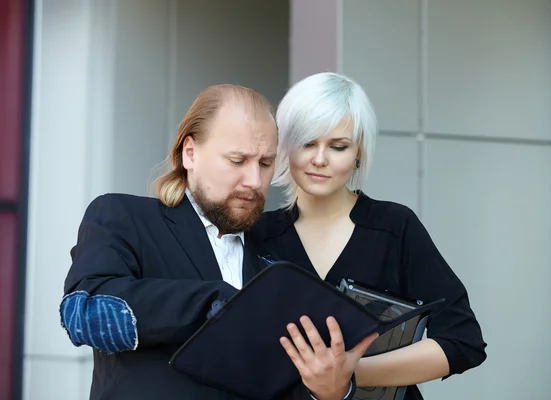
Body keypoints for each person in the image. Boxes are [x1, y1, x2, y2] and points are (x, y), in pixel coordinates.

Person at [59, 84, 376, 400]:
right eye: (237, 161)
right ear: (190, 154)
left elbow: (285, 381)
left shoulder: (282, 259)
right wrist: (215, 302)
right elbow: (83, 314)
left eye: (265, 164)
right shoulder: (125, 216)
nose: (254, 181)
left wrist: (328, 391)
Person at [251, 72, 488, 399]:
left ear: (359, 151)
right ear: (285, 145)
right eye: (307, 142)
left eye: (338, 146)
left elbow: (462, 340)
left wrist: (351, 373)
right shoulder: (255, 235)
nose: (320, 159)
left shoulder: (395, 227)